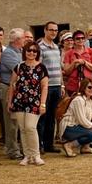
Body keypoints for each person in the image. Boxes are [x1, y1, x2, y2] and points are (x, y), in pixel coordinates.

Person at [8, 40, 48, 166]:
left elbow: (44, 87)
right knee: (23, 129)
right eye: (29, 50)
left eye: (34, 51)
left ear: (38, 53)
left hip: (34, 102)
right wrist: (9, 101)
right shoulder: (19, 66)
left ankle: (36, 155)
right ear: (24, 52)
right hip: (19, 101)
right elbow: (12, 85)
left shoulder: (41, 67)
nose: (31, 53)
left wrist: (42, 104)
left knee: (31, 127)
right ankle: (27, 155)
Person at [36, 21, 63, 155]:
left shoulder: (57, 47)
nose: (53, 32)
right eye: (51, 30)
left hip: (57, 86)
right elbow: (38, 67)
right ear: (45, 31)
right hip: (45, 87)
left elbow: (59, 67)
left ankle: (49, 144)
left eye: (55, 30)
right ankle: (39, 145)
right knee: (42, 117)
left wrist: (61, 84)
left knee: (52, 116)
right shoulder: (40, 47)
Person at [0, 28, 24, 160]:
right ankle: (12, 150)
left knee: (18, 121)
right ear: (17, 40)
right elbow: (20, 69)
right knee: (11, 122)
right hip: (8, 89)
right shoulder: (8, 53)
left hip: (16, 89)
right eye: (23, 38)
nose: (25, 40)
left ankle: (17, 148)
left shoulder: (20, 52)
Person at [60, 78, 92, 157]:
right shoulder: (79, 100)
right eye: (89, 87)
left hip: (78, 126)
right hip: (69, 127)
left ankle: (85, 148)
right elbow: (81, 120)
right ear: (83, 87)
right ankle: (69, 145)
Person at [64, 29, 92, 96]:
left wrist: (84, 62)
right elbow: (66, 71)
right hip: (73, 86)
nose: (80, 40)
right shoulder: (68, 53)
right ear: (74, 41)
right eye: (78, 38)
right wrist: (74, 63)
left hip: (88, 85)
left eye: (82, 38)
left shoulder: (91, 51)